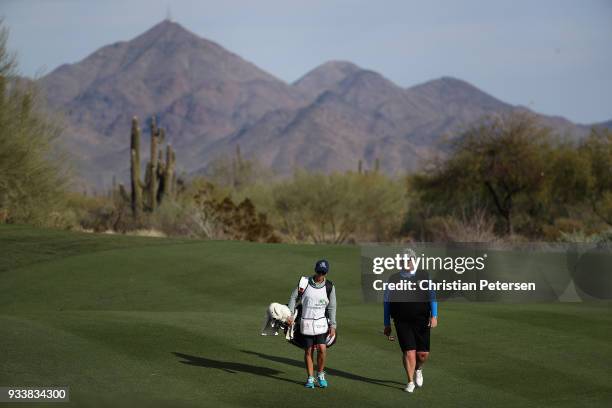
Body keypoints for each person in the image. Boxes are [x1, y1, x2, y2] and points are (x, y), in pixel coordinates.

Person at [383, 248, 438, 393]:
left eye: (409, 260)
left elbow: (432, 296)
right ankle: (410, 381)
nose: (406, 263)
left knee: (423, 354)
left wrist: (434, 316)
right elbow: (387, 302)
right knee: (409, 352)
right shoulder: (393, 278)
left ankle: (418, 368)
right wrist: (387, 323)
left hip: (422, 320)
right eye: (403, 260)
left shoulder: (423, 276)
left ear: (414, 260)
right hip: (402, 321)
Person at [287, 259, 337, 389]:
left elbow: (332, 307)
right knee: (308, 350)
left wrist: (333, 325)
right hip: (306, 322)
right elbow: (293, 297)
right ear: (315, 270)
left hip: (321, 323)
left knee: (322, 348)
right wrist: (291, 314)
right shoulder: (304, 283)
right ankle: (310, 378)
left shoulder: (329, 286)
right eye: (319, 271)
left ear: (326, 273)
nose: (321, 274)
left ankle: (320, 374)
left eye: (323, 272)